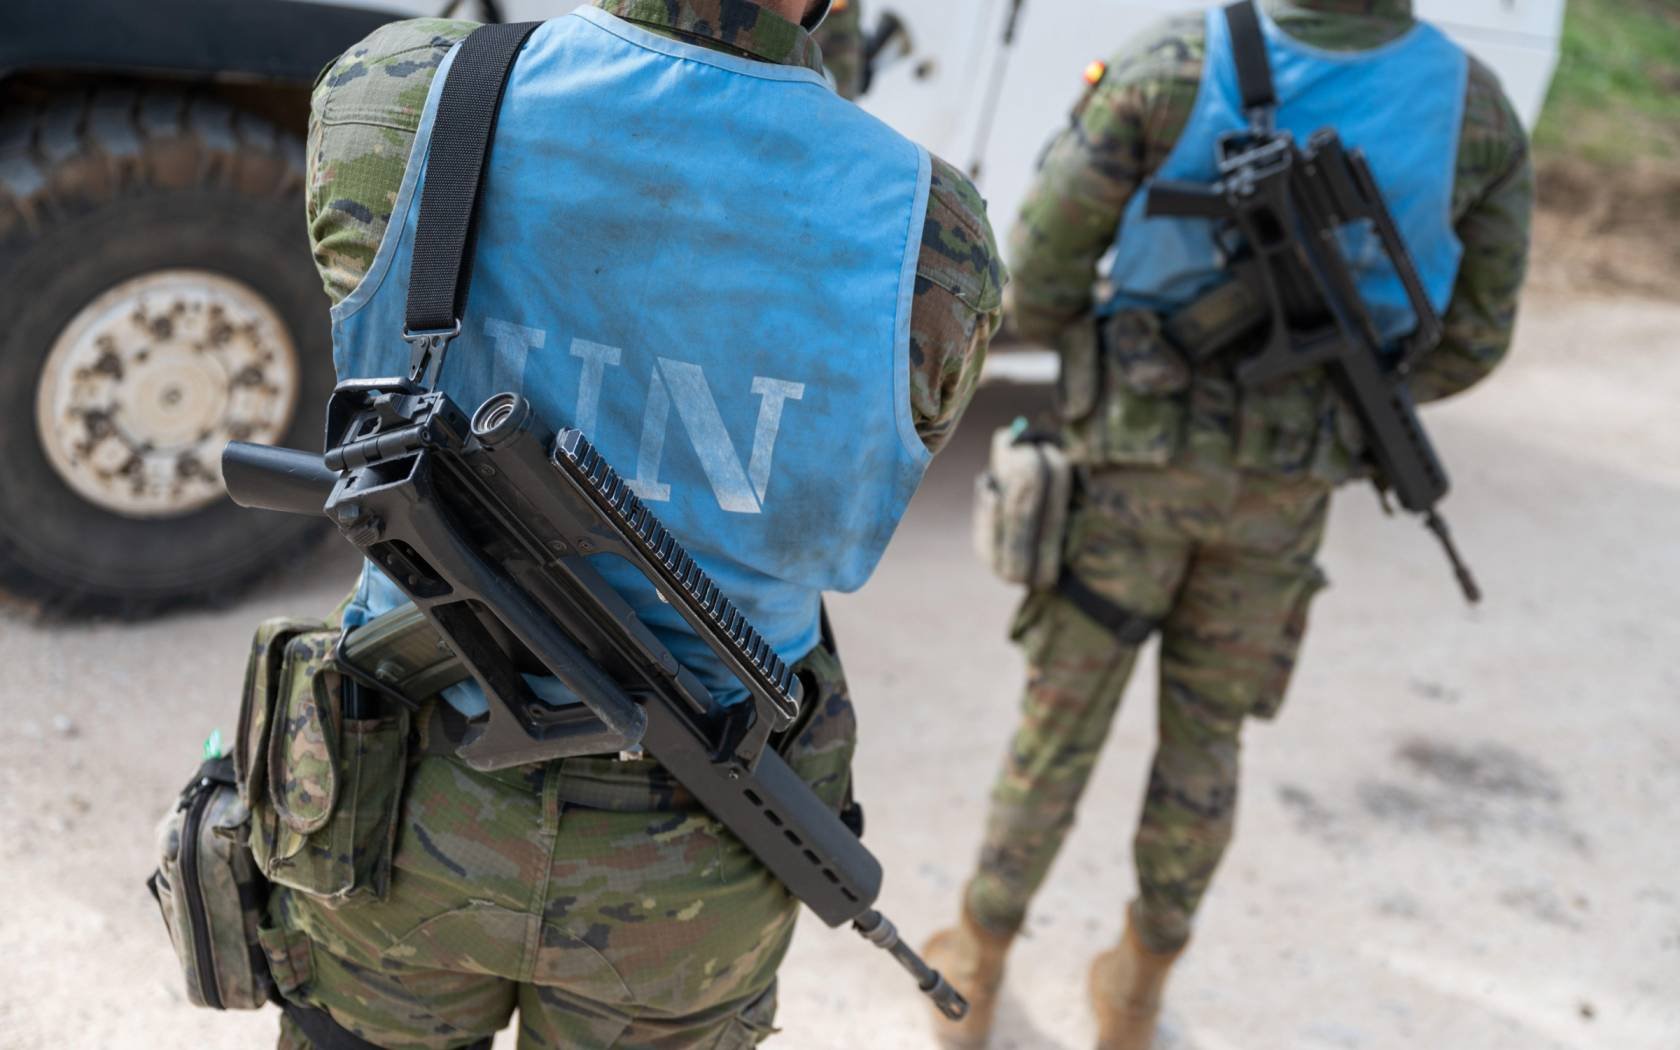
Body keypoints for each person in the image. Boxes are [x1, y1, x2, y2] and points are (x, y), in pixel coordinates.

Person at [260, 2, 1004, 1047]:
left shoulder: (398, 88)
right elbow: (839, 528)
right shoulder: (940, 233)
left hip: (391, 804)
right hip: (689, 869)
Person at [920, 2, 1532, 1047]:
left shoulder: (1172, 60)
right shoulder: (1476, 107)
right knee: (1207, 741)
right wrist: (1339, 400)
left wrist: (1108, 376)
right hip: (1285, 492)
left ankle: (975, 962)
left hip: (1134, 469)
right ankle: (1139, 986)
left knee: (1058, 723)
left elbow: (1045, 258)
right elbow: (1476, 336)